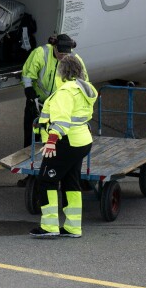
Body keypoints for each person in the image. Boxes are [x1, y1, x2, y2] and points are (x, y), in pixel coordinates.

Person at [30, 53, 98, 238]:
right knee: (71, 182)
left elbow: (61, 121)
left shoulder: (65, 92)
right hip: (81, 141)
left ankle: (49, 226)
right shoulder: (83, 89)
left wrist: (51, 141)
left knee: (47, 180)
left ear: (61, 72)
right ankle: (73, 227)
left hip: (65, 142)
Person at [22, 34, 88, 149]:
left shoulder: (75, 59)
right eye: (60, 53)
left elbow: (84, 81)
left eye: (66, 54)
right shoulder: (41, 53)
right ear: (54, 47)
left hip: (58, 106)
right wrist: (29, 91)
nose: (63, 57)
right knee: (32, 134)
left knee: (55, 137)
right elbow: (28, 74)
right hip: (38, 102)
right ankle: (29, 153)